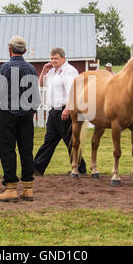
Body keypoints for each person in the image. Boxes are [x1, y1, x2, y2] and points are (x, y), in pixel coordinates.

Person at [0, 36, 40, 203]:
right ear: (25, 51)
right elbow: (35, 96)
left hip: (8, 112)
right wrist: (32, 110)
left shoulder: (5, 67)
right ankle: (28, 188)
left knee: (7, 149)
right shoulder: (31, 69)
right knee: (26, 150)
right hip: (26, 114)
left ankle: (11, 188)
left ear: (10, 49)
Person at [33, 47, 87, 176]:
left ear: (63, 58)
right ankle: (36, 168)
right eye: (51, 58)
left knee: (70, 141)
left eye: (56, 58)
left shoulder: (69, 71)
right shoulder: (52, 72)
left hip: (65, 110)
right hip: (53, 111)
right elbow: (41, 84)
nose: (53, 61)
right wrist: (45, 69)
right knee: (49, 140)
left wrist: (67, 109)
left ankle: (80, 168)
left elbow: (72, 91)